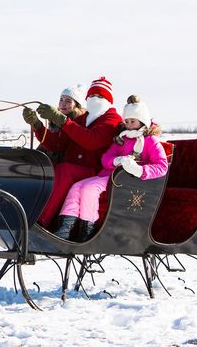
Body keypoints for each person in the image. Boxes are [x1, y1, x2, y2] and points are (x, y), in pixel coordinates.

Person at [55, 95, 168, 241]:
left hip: (128, 180)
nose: (129, 125)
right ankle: (65, 229)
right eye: (126, 121)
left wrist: (139, 170)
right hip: (108, 176)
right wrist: (117, 160)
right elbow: (105, 158)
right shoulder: (122, 139)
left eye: (132, 121)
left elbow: (161, 166)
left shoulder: (150, 141)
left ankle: (87, 231)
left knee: (89, 189)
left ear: (142, 121)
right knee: (77, 187)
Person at [22, 77, 123, 229]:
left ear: (108, 100)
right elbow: (57, 144)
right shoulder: (84, 118)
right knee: (50, 169)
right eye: (92, 96)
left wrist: (63, 121)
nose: (95, 99)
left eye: (100, 96)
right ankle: (25, 210)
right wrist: (37, 126)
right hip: (74, 168)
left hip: (95, 172)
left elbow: (92, 141)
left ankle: (40, 221)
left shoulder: (111, 119)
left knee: (64, 170)